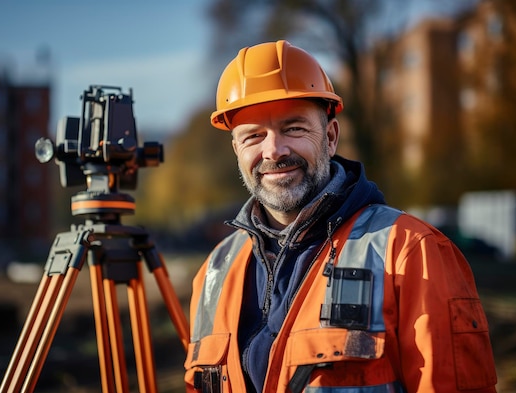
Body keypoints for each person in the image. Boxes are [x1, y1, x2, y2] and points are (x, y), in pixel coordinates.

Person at [183, 40, 497, 393]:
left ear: (330, 137)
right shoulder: (214, 271)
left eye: (294, 128)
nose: (274, 150)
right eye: (253, 136)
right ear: (237, 150)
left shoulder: (412, 252)